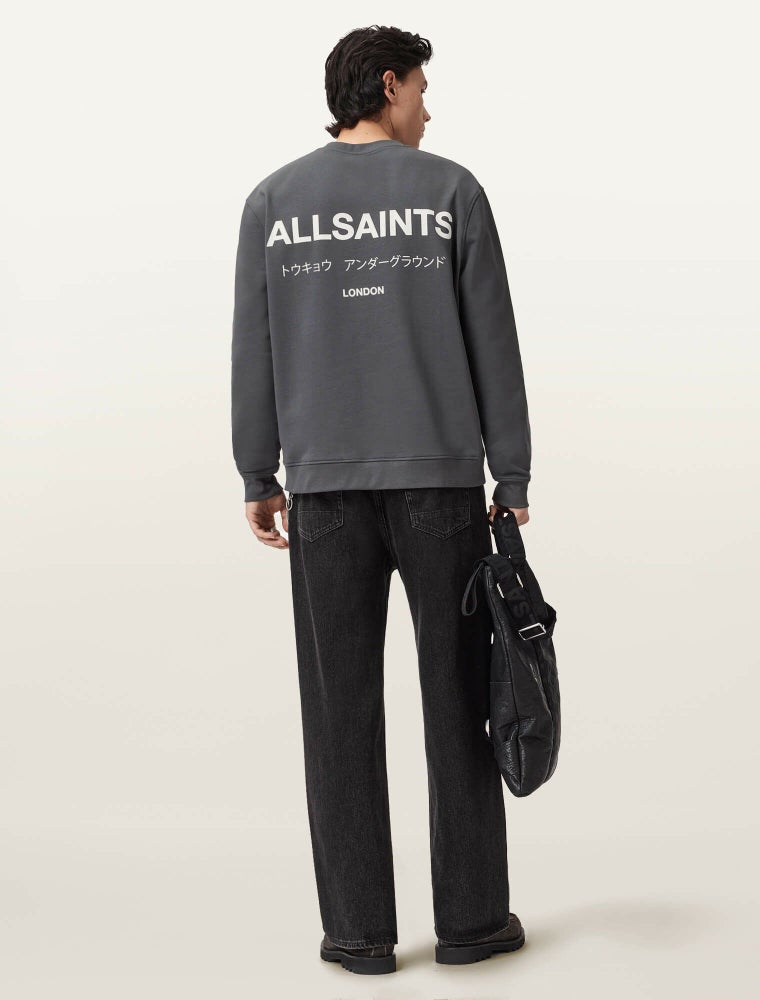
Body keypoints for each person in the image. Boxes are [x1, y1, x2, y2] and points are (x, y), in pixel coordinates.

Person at [230, 24, 531, 975]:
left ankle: (359, 935)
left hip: (322, 491)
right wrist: (512, 472)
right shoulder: (450, 191)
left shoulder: (274, 202)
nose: (428, 110)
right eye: (422, 91)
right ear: (389, 84)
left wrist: (258, 473)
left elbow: (253, 346)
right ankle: (472, 924)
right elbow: (494, 340)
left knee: (338, 714)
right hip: (440, 483)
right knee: (460, 700)